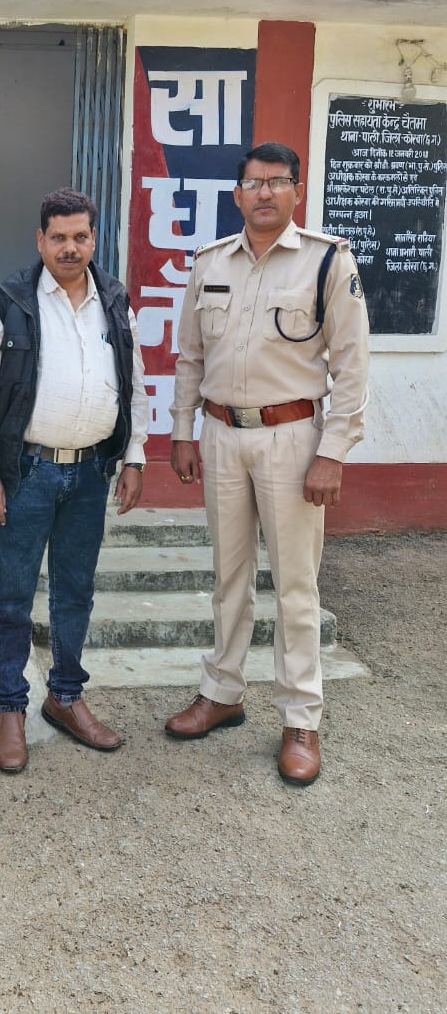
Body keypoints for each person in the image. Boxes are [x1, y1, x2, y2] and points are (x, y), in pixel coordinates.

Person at [165, 142, 370, 786]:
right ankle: (222, 692)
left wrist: (332, 453)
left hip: (293, 439)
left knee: (295, 584)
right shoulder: (210, 262)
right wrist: (182, 431)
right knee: (229, 576)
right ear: (237, 194)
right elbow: (190, 357)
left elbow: (352, 366)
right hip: (222, 435)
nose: (264, 193)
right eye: (253, 183)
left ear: (296, 192)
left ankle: (300, 718)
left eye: (277, 182)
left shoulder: (327, 261)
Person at [0, 187, 149, 772]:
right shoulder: (9, 301)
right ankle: (9, 708)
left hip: (92, 472)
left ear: (94, 239)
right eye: (59, 237)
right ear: (40, 240)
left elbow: (134, 381)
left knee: (76, 592)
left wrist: (135, 457)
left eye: (80, 237)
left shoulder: (114, 299)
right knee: (13, 597)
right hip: (28, 473)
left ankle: (66, 697)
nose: (70, 248)